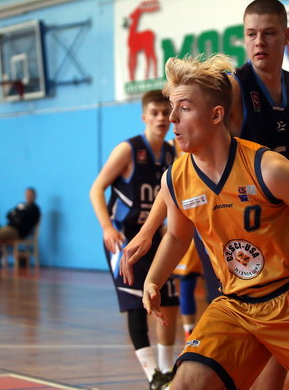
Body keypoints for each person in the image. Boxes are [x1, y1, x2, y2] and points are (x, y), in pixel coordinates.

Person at [123, 54, 289, 390]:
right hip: (236, 307)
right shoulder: (175, 178)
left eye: (183, 108)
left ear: (216, 115)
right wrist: (154, 279)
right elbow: (177, 236)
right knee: (185, 385)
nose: (172, 118)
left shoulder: (266, 167)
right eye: (172, 108)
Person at [121, 0, 289, 389]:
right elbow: (186, 172)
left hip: (281, 228)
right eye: (251, 34)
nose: (259, 42)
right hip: (233, 229)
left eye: (269, 33)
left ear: (287, 36)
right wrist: (149, 228)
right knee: (249, 338)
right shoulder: (234, 87)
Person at [89, 90, 179, 390]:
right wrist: (106, 227)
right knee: (136, 303)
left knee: (168, 300)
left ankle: (167, 370)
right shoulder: (128, 150)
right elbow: (96, 188)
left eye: (166, 112)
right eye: (155, 113)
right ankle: (153, 376)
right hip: (124, 237)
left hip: (155, 236)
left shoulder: (172, 153)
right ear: (144, 117)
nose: (161, 118)